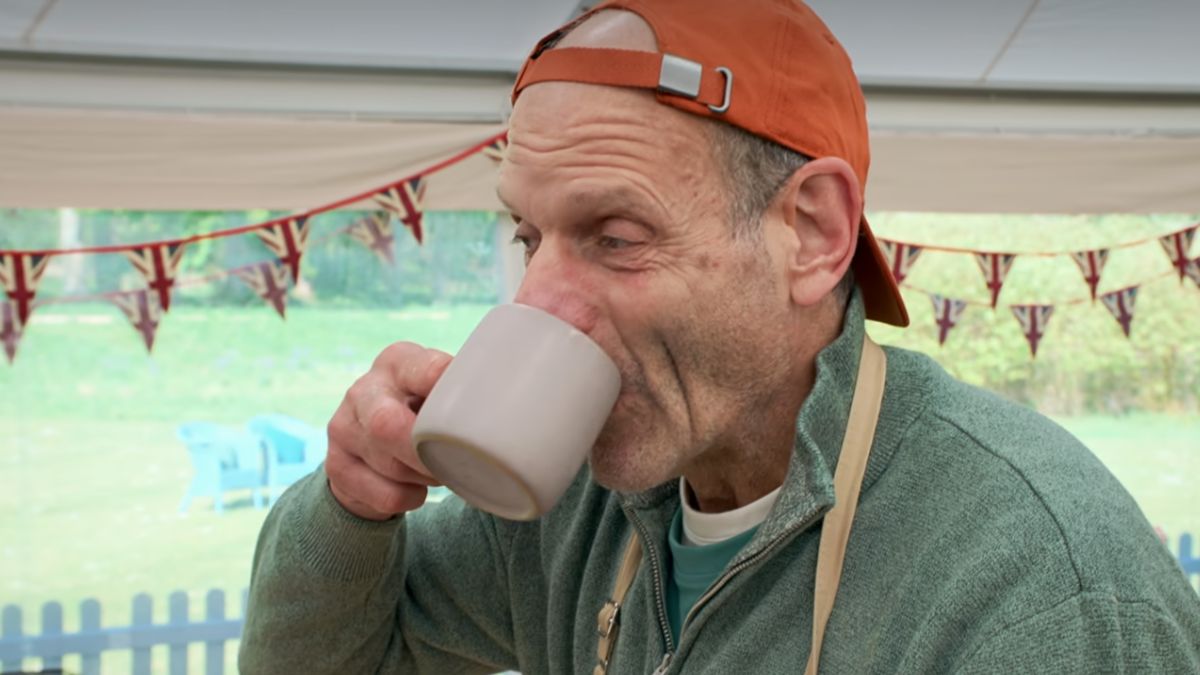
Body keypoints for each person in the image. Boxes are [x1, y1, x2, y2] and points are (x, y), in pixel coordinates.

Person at [239, 0, 1200, 672]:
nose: (538, 301)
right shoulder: (572, 505)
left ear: (814, 234)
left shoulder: (1041, 590)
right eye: (531, 236)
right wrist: (352, 502)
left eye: (615, 237)